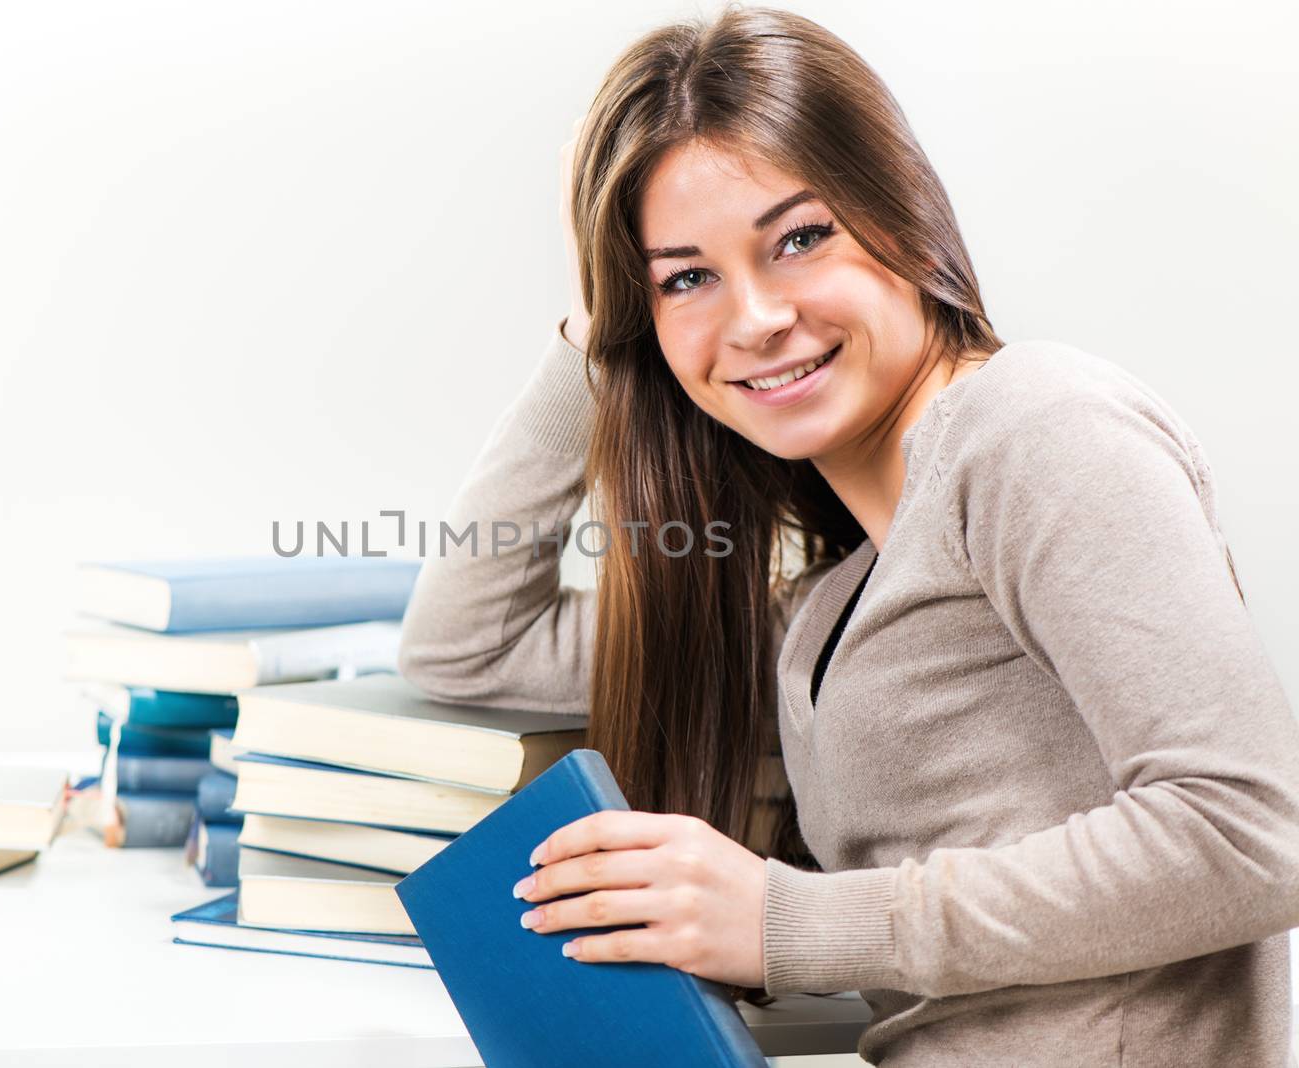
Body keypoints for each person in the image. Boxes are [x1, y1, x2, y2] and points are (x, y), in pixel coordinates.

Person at [395, 6, 1299, 1065]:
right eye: (686, 277)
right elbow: (465, 643)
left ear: (902, 214)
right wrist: (594, 336)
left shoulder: (1036, 428)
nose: (755, 318)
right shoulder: (829, 603)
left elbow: (1247, 836)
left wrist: (782, 924)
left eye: (798, 237)